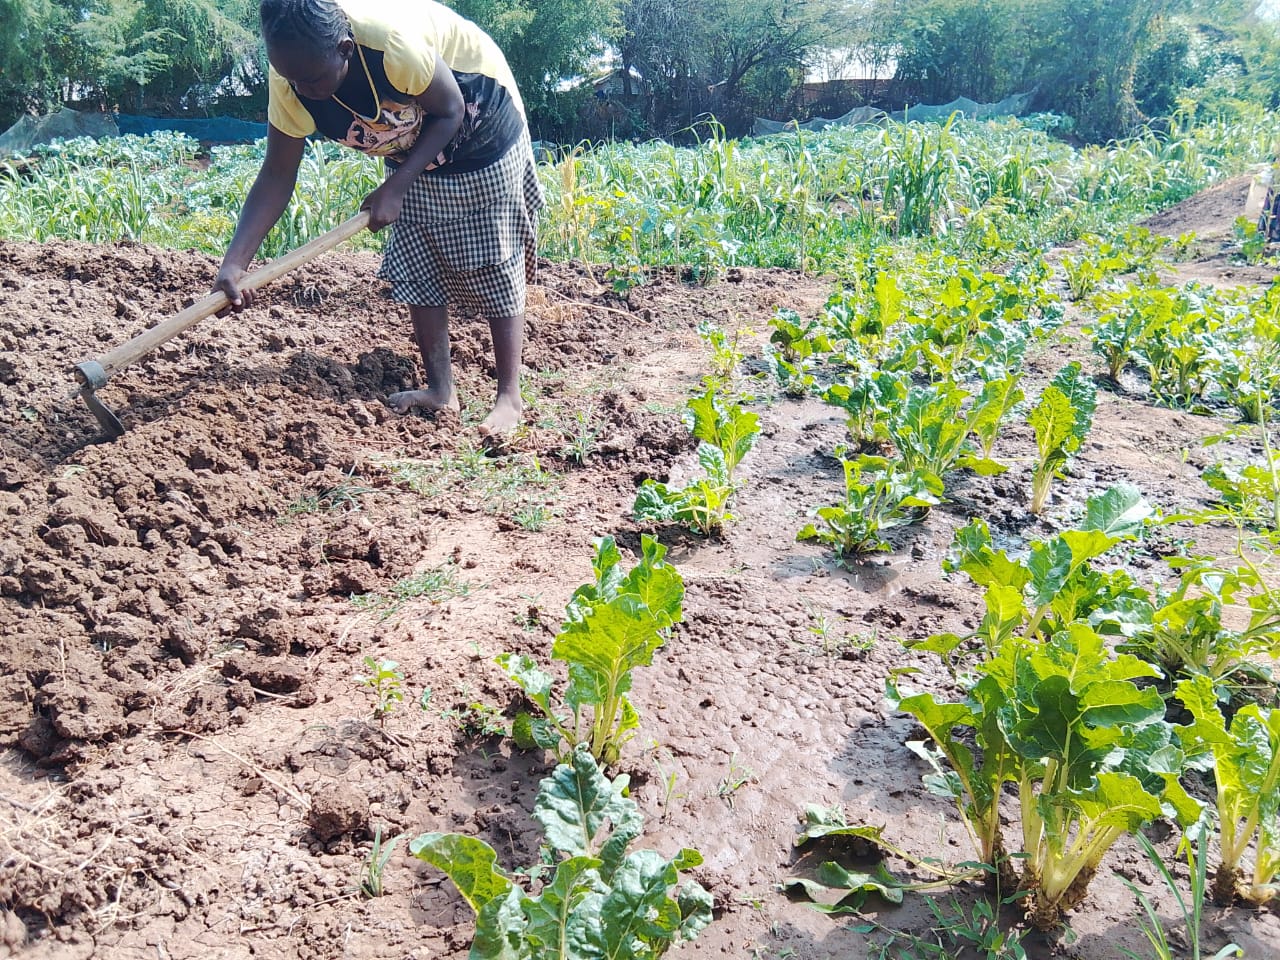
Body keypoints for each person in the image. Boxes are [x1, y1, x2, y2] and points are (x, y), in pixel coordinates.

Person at [215, 0, 543, 437]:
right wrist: (235, 263)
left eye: (314, 79)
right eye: (293, 78)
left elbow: (451, 110)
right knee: (418, 259)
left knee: (492, 259)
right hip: (409, 138)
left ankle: (508, 397)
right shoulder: (290, 78)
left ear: (345, 49)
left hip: (477, 115)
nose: (304, 89)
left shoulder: (390, 45)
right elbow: (277, 172)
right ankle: (441, 390)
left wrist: (399, 184)